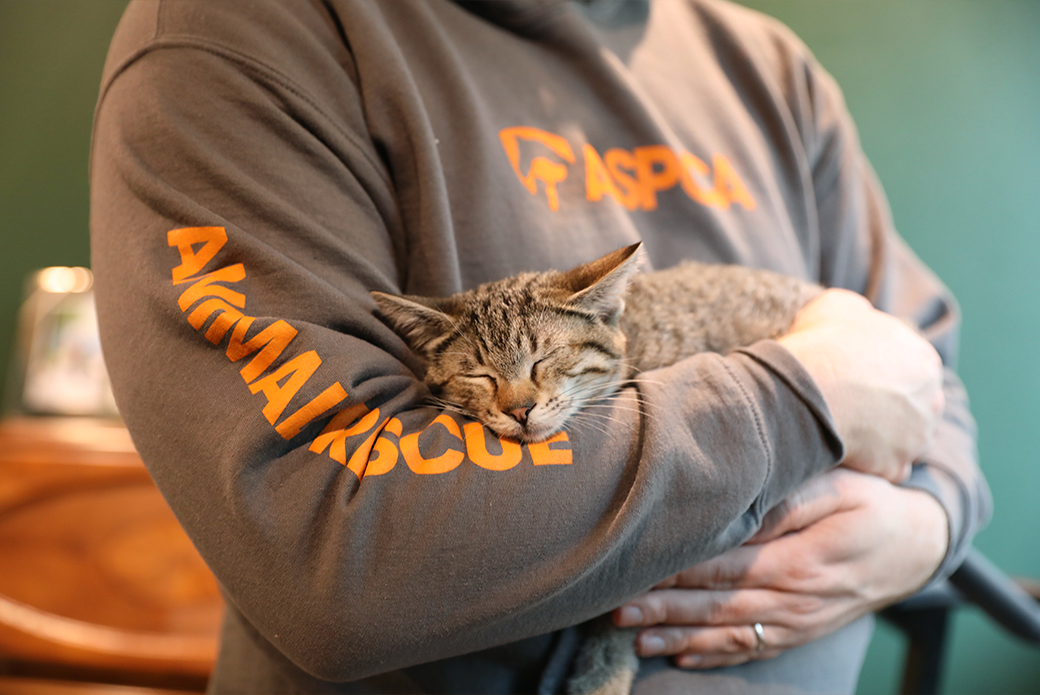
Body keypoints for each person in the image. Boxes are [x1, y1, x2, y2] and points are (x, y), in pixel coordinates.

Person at [89, 0, 989, 693]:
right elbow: (334, 559)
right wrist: (796, 399)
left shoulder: (768, 65)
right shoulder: (237, 39)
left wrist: (928, 528)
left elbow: (926, 374)